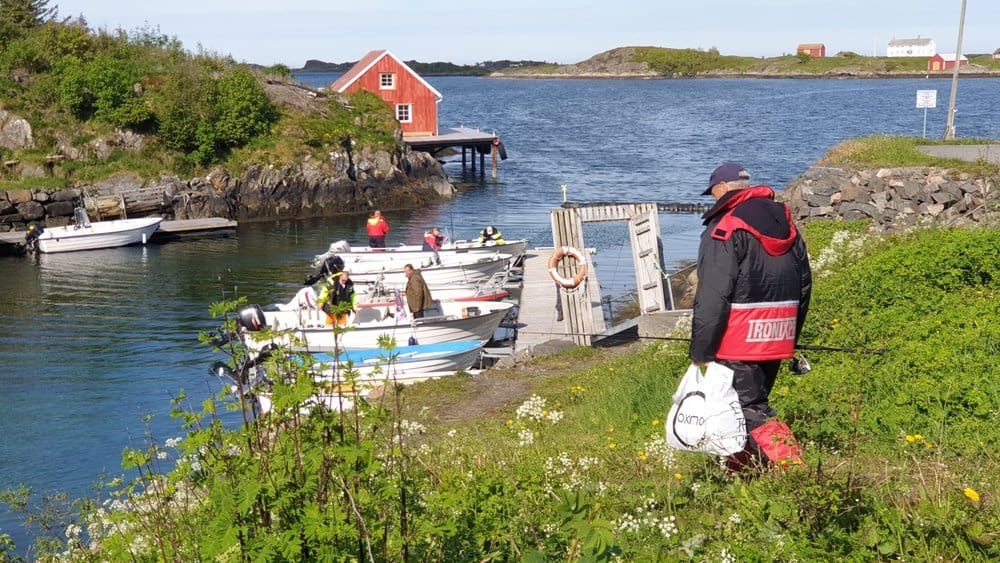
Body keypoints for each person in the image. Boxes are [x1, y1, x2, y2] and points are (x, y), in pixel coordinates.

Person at [689, 162, 812, 473]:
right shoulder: (786, 223)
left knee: (750, 409)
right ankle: (743, 474)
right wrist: (791, 336)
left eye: (713, 193)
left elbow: (712, 295)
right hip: (778, 332)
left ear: (721, 189)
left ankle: (795, 471)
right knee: (741, 410)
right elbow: (805, 283)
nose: (712, 199)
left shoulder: (726, 226)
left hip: (738, 340)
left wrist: (701, 351)